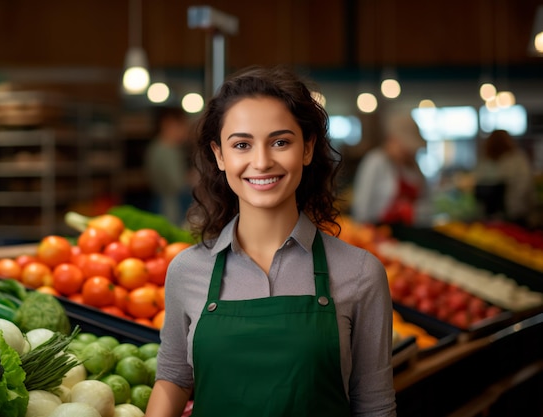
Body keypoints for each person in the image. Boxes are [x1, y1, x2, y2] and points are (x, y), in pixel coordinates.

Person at [146, 66, 396, 416]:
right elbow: (173, 377)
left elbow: (375, 406)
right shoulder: (187, 270)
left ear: (307, 149)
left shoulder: (360, 272)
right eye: (242, 145)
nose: (261, 162)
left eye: (280, 142)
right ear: (220, 156)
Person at [351, 112, 430, 226]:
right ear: (392, 140)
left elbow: (426, 200)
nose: (409, 152)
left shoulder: (413, 167)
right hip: (380, 232)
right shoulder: (375, 161)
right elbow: (361, 208)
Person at [144, 106, 194, 227]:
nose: (186, 130)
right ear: (168, 123)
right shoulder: (165, 150)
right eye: (182, 124)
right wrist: (192, 178)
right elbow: (177, 184)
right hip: (169, 208)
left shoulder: (159, 147)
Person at [473, 129, 535, 225]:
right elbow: (525, 184)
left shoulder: (485, 160)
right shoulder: (517, 158)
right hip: (511, 212)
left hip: (508, 212)